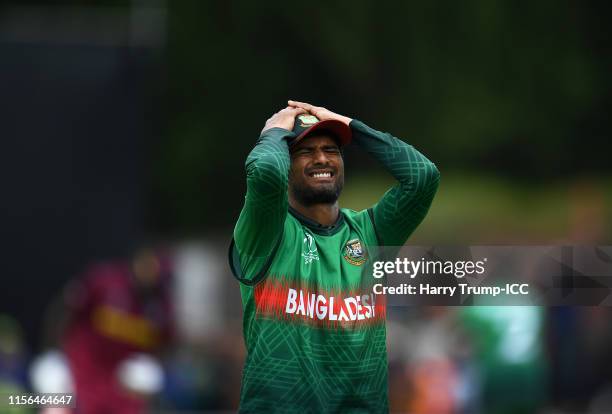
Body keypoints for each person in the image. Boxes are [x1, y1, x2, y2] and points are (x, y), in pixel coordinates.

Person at [228, 100, 440, 413]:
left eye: (331, 149)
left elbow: (423, 177)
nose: (321, 159)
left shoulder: (371, 232)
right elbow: (266, 172)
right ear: (286, 163)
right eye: (305, 151)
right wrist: (273, 134)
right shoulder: (265, 230)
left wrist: (351, 126)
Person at [62, 247, 174, 414]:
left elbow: (165, 343)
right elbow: (68, 311)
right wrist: (57, 348)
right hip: (87, 364)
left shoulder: (160, 305)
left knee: (147, 376)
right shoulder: (106, 282)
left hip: (123, 376)